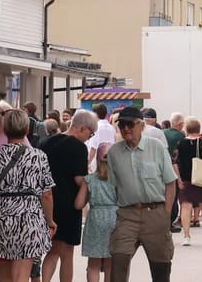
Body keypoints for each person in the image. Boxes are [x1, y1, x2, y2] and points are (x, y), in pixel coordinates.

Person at [0, 109, 57, 282]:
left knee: (3, 277)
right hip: (29, 220)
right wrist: (50, 221)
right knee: (21, 276)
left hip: (0, 221)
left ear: (5, 130)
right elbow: (46, 194)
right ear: (26, 130)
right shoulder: (38, 157)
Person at [106, 106, 177, 282]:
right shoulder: (114, 152)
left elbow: (170, 182)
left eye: (130, 124)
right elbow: (114, 186)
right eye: (122, 125)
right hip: (127, 215)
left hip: (155, 213)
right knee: (118, 258)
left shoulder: (157, 147)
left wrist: (165, 214)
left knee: (161, 267)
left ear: (141, 126)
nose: (126, 129)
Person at [41, 109, 97, 282]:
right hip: (69, 204)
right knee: (66, 253)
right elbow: (79, 179)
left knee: (52, 250)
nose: (90, 137)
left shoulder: (45, 142)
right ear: (82, 128)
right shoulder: (79, 148)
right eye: (90, 132)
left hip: (46, 202)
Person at [75, 142, 117, 282]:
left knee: (93, 264)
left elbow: (79, 204)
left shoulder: (90, 180)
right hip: (115, 218)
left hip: (95, 220)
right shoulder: (118, 180)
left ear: (97, 160)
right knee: (110, 264)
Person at [174, 116, 202, 246]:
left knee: (186, 206)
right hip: (201, 179)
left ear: (186, 129)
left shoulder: (180, 143)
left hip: (186, 179)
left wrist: (179, 178)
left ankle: (187, 236)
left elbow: (174, 162)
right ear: (199, 129)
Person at [87, 103, 117, 173]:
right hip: (108, 163)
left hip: (96, 164)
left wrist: (88, 163)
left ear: (95, 114)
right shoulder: (112, 128)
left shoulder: (95, 128)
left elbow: (93, 148)